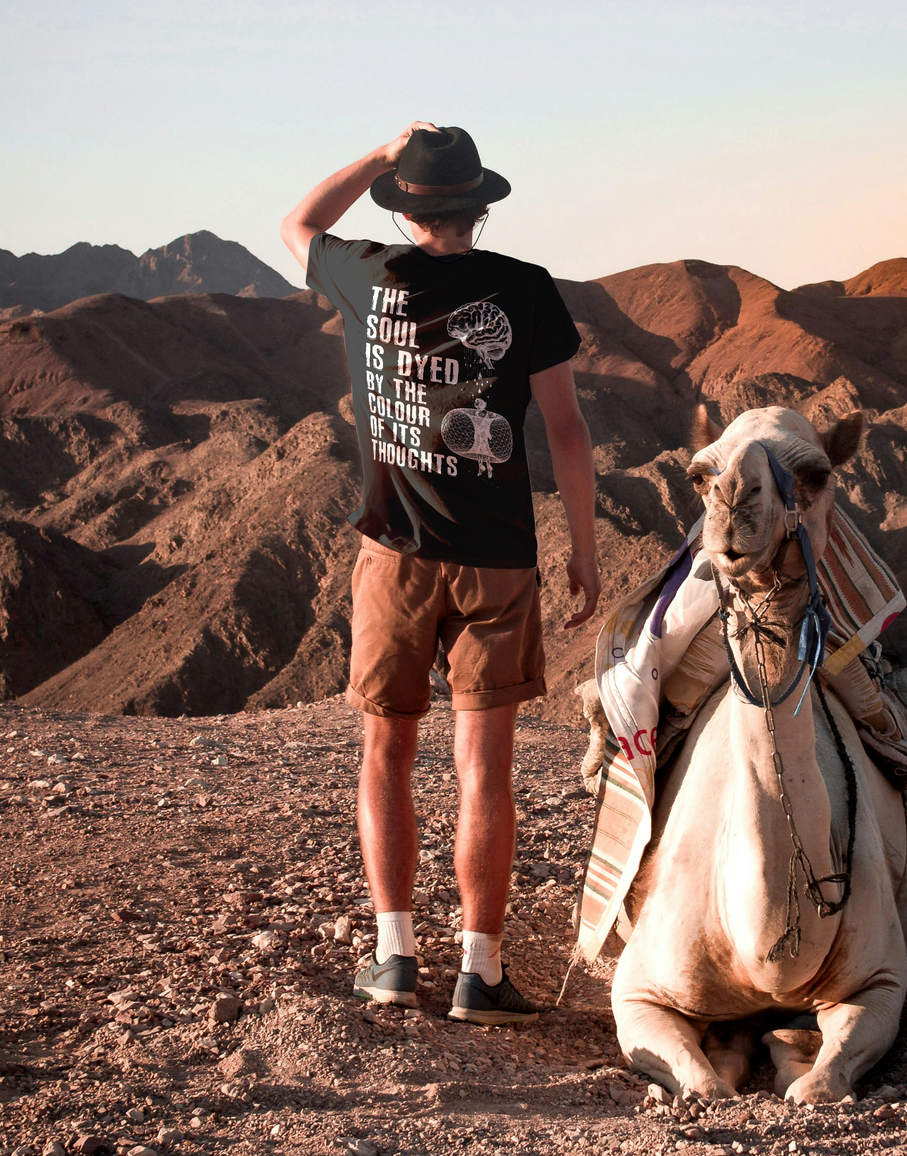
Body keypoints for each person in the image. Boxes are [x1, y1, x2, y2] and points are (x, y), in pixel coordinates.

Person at [281, 122, 599, 1025]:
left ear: (404, 205)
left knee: (386, 754)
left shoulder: (368, 274)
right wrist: (580, 544)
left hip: (394, 554)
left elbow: (298, 222)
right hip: (497, 559)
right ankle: (480, 973)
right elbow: (566, 430)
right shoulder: (527, 289)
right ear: (481, 208)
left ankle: (391, 958)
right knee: (482, 772)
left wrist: (380, 154)